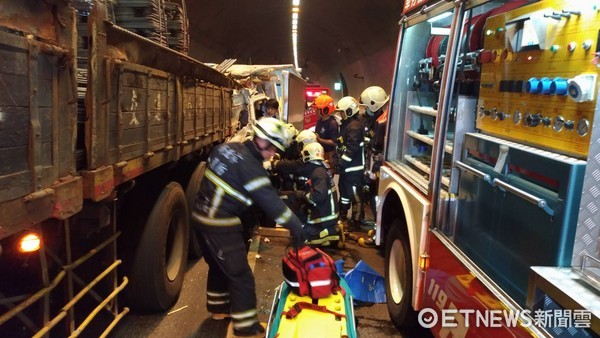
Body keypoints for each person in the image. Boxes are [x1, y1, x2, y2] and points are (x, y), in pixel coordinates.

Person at [191, 118, 304, 337]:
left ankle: (219, 309)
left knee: (217, 265)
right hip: (220, 223)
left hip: (199, 215)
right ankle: (246, 326)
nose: (273, 154)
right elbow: (273, 206)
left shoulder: (226, 148)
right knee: (240, 275)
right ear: (260, 140)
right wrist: (297, 228)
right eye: (271, 148)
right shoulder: (252, 169)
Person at [272, 142, 340, 246]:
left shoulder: (318, 173)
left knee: (303, 239)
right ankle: (329, 231)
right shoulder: (320, 168)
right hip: (324, 213)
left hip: (322, 219)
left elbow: (319, 196)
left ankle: (331, 233)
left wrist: (302, 195)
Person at [359, 86, 389, 224]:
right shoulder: (374, 119)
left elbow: (376, 148)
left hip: (374, 166)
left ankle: (378, 224)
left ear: (374, 105)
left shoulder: (381, 123)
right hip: (368, 163)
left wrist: (370, 174)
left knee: (373, 194)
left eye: (367, 106)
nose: (365, 109)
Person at [336, 96, 365, 230]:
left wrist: (341, 163)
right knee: (344, 194)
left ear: (349, 111)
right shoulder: (348, 125)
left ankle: (356, 221)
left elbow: (352, 149)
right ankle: (342, 214)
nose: (340, 114)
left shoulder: (354, 127)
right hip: (347, 169)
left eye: (342, 111)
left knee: (355, 195)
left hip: (353, 169)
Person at [312, 94, 339, 174]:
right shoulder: (319, 121)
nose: (315, 111)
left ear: (325, 109)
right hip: (320, 153)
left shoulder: (332, 123)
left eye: (318, 109)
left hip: (329, 155)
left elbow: (334, 142)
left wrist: (319, 139)